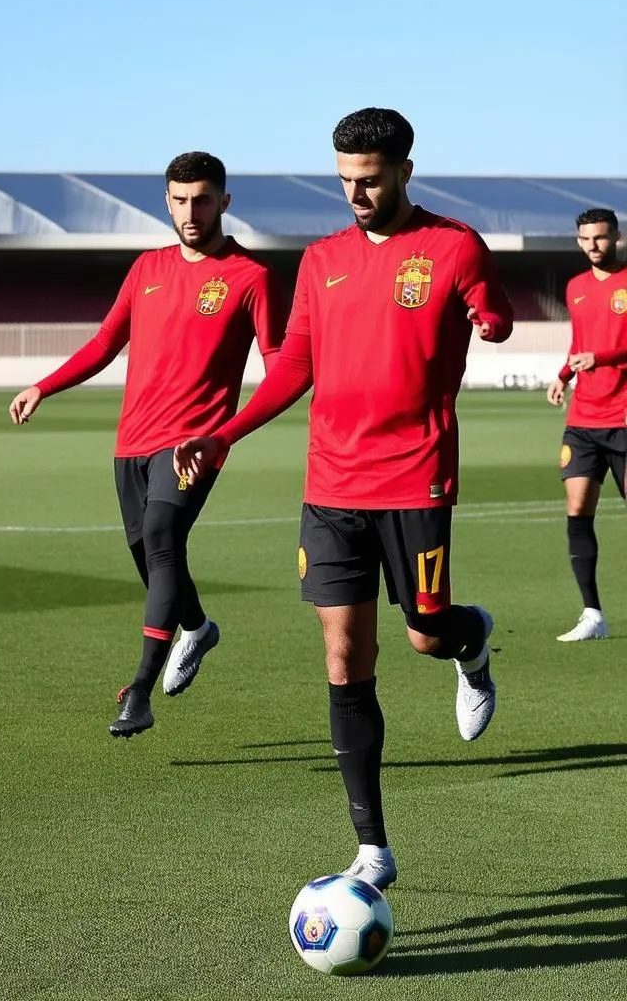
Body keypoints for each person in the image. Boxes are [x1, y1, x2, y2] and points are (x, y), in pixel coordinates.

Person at [172, 108, 513, 889]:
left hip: (415, 475)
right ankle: (372, 847)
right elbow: (293, 369)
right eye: (344, 182)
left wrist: (490, 321)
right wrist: (224, 434)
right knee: (343, 653)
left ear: (402, 170)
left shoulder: (453, 245)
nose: (355, 195)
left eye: (368, 180)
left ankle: (473, 644)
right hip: (331, 484)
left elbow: (497, 312)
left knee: (426, 633)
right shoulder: (322, 259)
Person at [8, 151, 286, 738]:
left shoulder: (250, 278)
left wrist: (222, 435)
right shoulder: (146, 269)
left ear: (224, 202)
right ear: (167, 201)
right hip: (131, 440)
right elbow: (107, 342)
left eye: (203, 199)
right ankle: (198, 628)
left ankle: (138, 690)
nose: (192, 211)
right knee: (148, 554)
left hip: (191, 444)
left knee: (162, 538)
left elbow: (281, 367)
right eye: (181, 200)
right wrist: (44, 385)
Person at [546, 208, 627, 642]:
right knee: (578, 510)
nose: (592, 246)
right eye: (584, 239)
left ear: (616, 236)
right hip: (584, 420)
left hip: (625, 417)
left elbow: (601, 350)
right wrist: (563, 375)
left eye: (599, 238)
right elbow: (580, 344)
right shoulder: (575, 287)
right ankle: (593, 614)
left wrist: (604, 358)